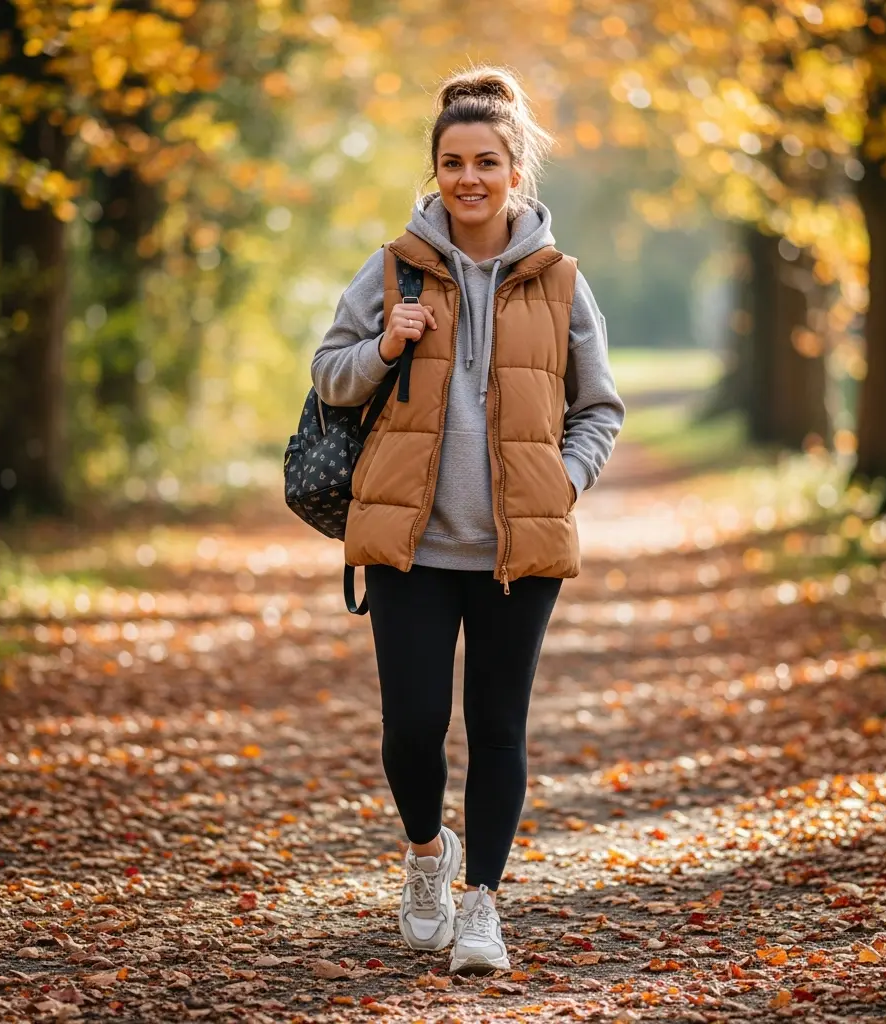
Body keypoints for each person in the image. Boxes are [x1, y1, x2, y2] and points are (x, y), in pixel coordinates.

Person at [311, 65, 624, 975]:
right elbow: (329, 375)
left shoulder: (562, 283)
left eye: (486, 162)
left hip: (514, 552)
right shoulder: (393, 268)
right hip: (409, 545)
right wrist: (384, 345)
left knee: (497, 729)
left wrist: (560, 483)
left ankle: (482, 902)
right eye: (452, 162)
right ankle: (426, 856)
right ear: (436, 170)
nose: (469, 178)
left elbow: (599, 408)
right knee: (411, 729)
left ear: (515, 172)